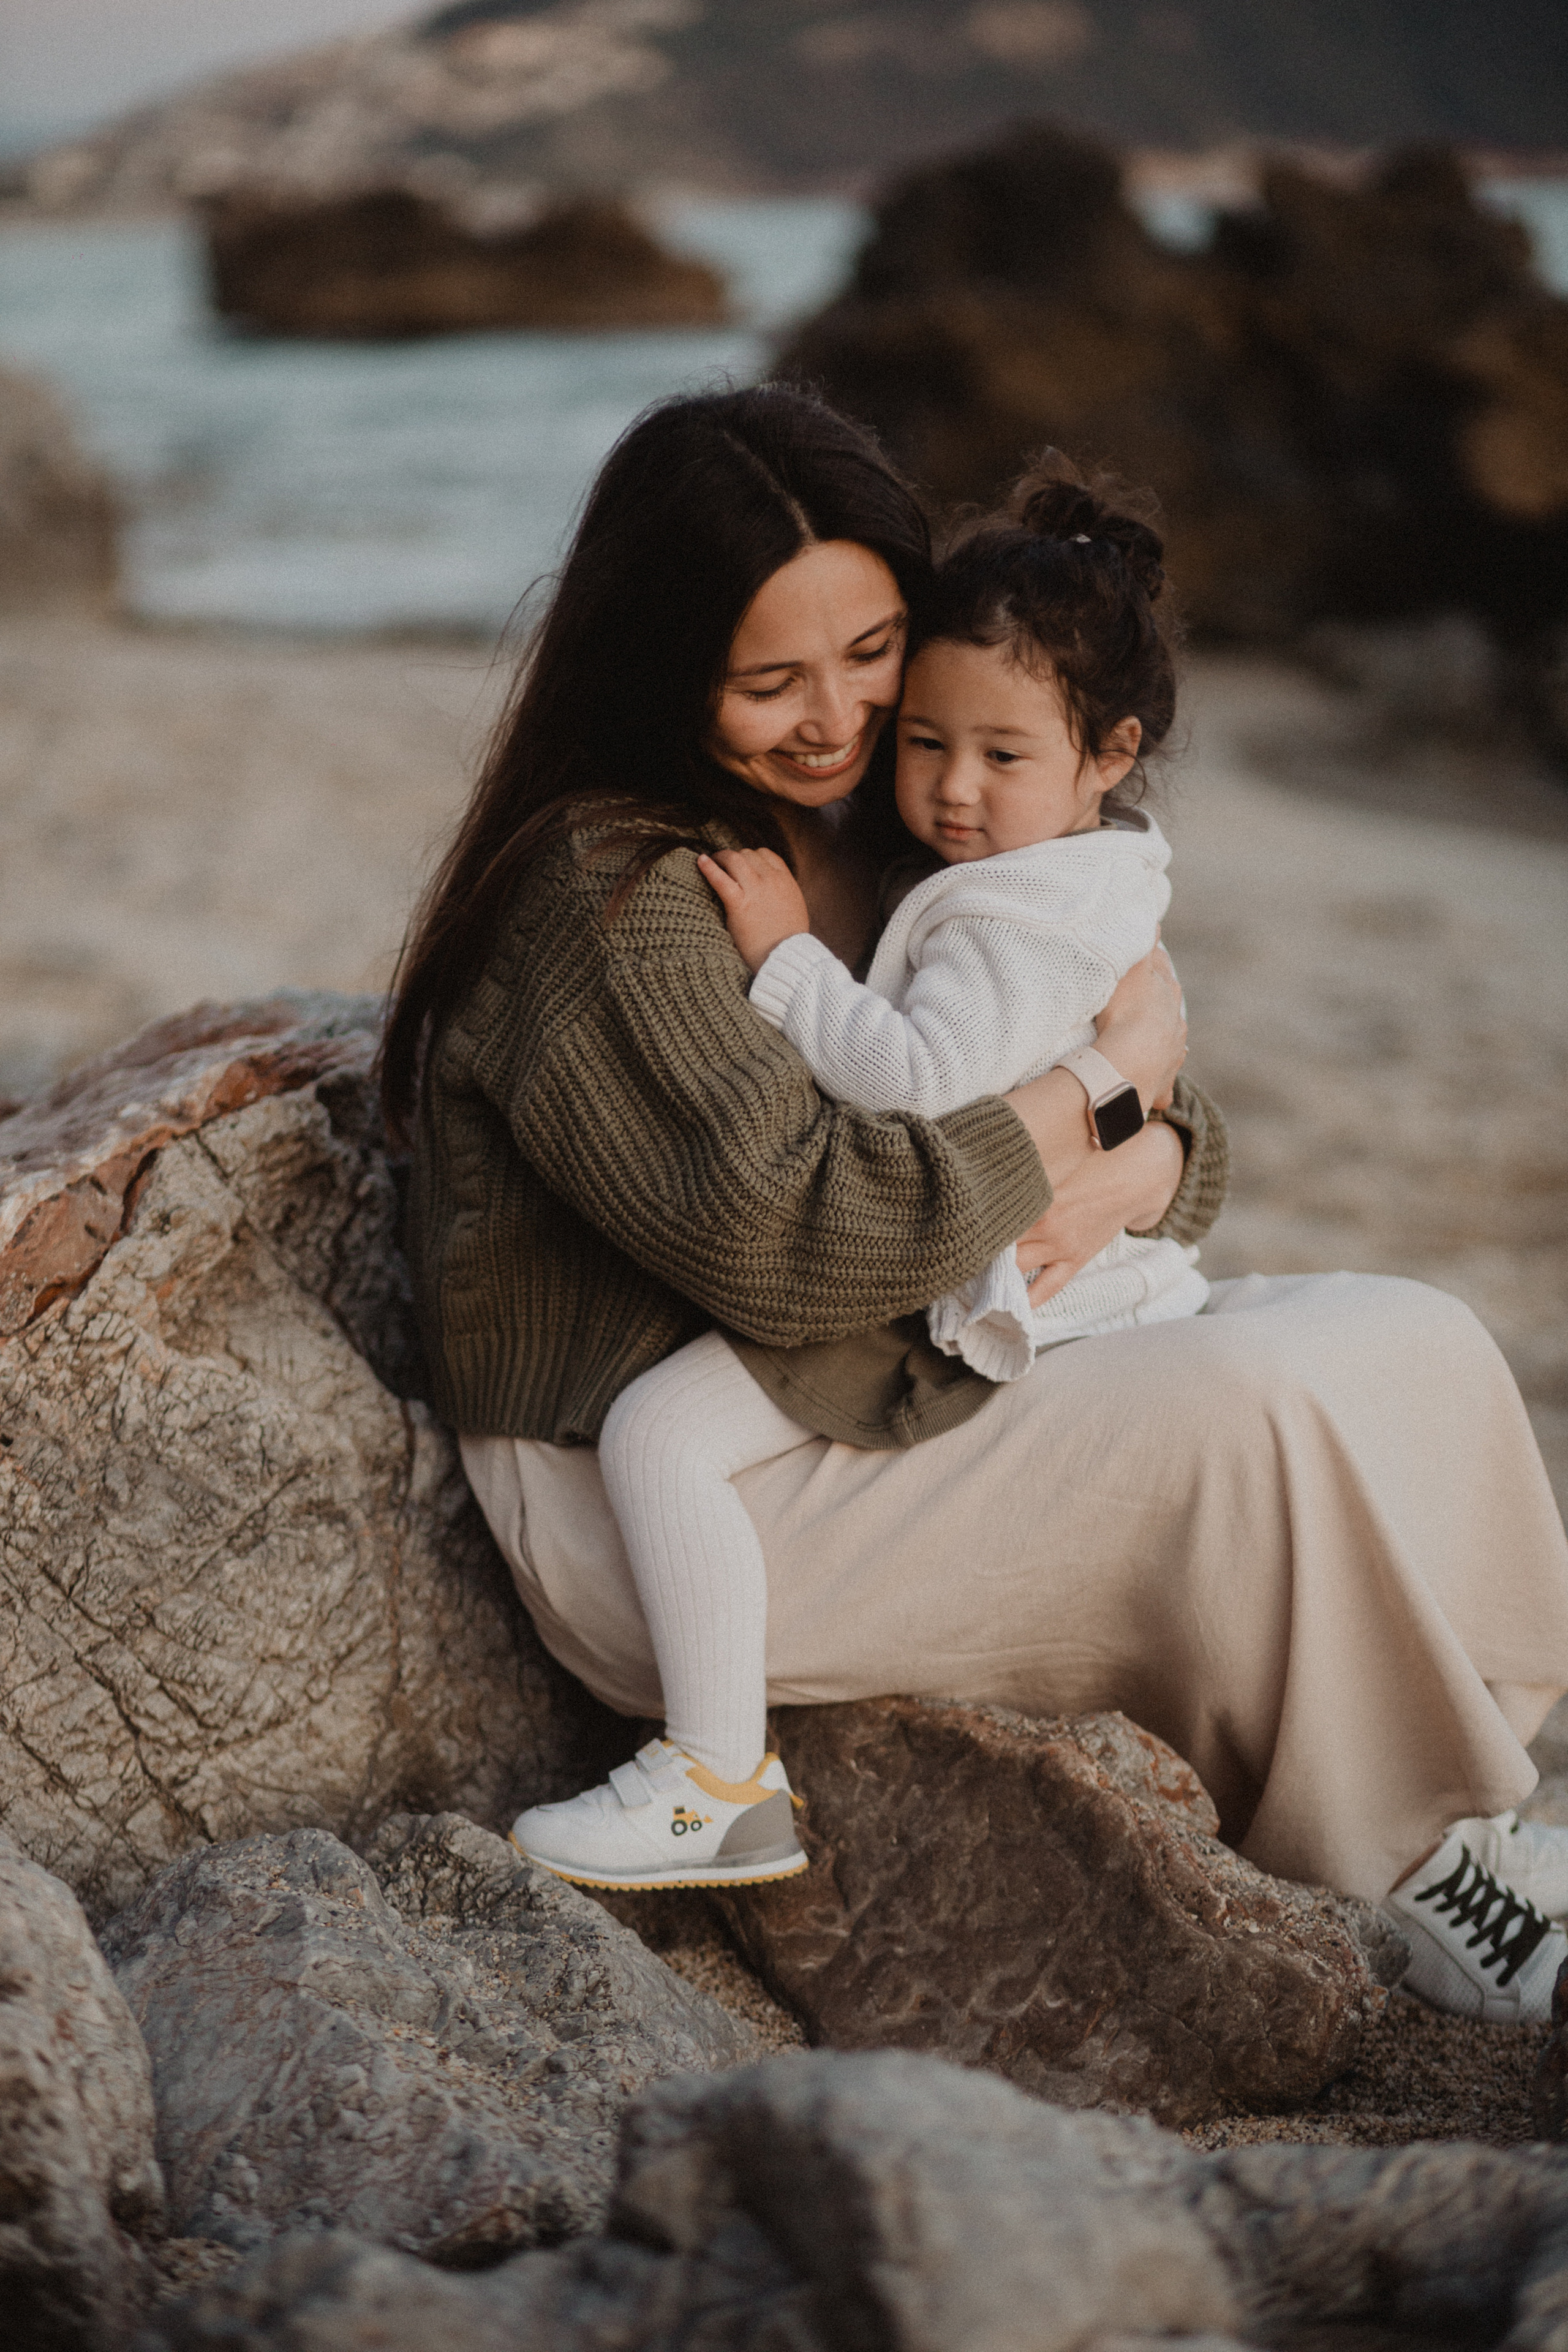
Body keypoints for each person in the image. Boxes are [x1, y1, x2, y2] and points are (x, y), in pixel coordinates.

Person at [383, 383, 1568, 2022]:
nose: (836, 717)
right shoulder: (624, 893)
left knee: (1412, 1339)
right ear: (661, 661)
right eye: (769, 679)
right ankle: (1422, 1861)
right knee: (1245, 1413)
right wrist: (1098, 1102)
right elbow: (806, 1243)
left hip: (868, 1370)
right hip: (665, 1489)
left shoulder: (885, 820)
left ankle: (1489, 1797)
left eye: (871, 656)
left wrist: (1143, 1145)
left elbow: (1136, 1120)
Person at [518, 459, 1215, 1890]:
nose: (941, 786)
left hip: (946, 1282)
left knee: (666, 1433)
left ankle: (716, 1774)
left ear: (1108, 752)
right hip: (922, 1266)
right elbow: (1094, 1106)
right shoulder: (1063, 864)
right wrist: (1118, 1106)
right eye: (925, 744)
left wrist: (783, 963)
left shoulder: (985, 901)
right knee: (661, 1429)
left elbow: (910, 1081)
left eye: (865, 664)